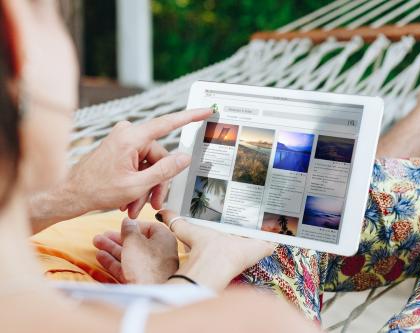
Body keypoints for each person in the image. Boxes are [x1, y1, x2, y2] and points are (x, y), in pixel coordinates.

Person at [2, 0, 420, 332]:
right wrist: (185, 282)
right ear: (16, 36)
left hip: (174, 260)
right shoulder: (244, 322)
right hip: (192, 275)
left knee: (310, 192)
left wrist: (65, 197)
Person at [0, 1, 320, 333]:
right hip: (174, 260)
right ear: (16, 35)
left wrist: (71, 194)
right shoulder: (256, 323)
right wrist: (209, 263)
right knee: (294, 233)